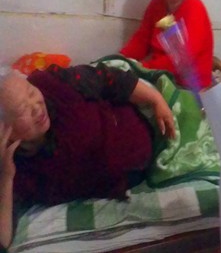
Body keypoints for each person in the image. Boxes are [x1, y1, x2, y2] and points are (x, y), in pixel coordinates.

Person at [0, 63, 176, 248]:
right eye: (22, 109)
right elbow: (3, 241)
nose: (36, 107)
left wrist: (157, 100)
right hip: (123, 179)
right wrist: (6, 177)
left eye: (31, 92)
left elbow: (108, 78)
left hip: (143, 126)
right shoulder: (14, 168)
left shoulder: (54, 83)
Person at [120, 0, 214, 90]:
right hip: (160, 77)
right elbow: (142, 39)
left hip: (189, 87)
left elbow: (181, 60)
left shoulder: (195, 10)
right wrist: (121, 59)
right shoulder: (158, 2)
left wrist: (142, 68)